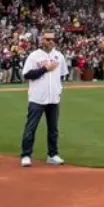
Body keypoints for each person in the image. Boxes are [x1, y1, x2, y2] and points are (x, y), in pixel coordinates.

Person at [20, 31, 69, 167]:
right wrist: (44, 69)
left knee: (53, 128)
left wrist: (57, 89)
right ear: (42, 40)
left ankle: (52, 154)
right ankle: (26, 155)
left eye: (52, 39)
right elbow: (27, 75)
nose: (50, 41)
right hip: (37, 97)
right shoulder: (34, 56)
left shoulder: (59, 56)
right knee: (31, 127)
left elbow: (62, 75)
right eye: (47, 39)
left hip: (53, 98)